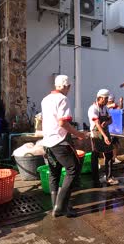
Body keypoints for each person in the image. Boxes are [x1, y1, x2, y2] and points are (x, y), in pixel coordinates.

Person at [41, 75, 86, 218]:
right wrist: (79, 134)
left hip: (47, 142)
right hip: (59, 142)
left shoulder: (45, 99)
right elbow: (63, 123)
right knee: (73, 169)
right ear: (67, 87)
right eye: (69, 87)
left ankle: (56, 206)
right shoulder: (63, 99)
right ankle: (61, 206)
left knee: (54, 174)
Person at [88, 89, 119, 187]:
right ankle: (95, 179)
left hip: (105, 131)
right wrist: (105, 136)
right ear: (99, 98)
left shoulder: (105, 108)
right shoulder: (93, 108)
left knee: (109, 154)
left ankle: (109, 177)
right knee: (95, 156)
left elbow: (111, 120)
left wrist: (107, 122)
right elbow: (97, 123)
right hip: (96, 134)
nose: (107, 100)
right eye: (105, 99)